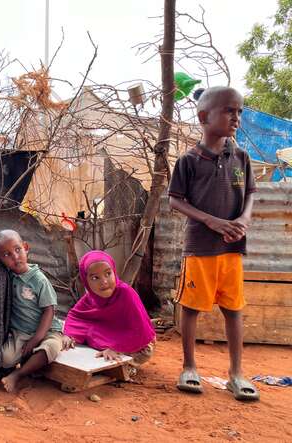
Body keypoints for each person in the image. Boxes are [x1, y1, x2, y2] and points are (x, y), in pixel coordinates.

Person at [168, 86, 259, 401]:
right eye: (229, 110)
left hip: (232, 249)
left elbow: (249, 195)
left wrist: (243, 221)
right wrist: (210, 220)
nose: (237, 117)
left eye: (240, 111)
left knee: (233, 309)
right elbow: (175, 200)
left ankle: (236, 374)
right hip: (200, 248)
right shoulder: (189, 161)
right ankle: (189, 367)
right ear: (204, 116)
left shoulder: (242, 158)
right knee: (191, 307)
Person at [0, 230, 65, 393]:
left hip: (47, 330)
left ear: (26, 248)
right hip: (21, 332)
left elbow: (49, 310)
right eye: (7, 255)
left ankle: (18, 374)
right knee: (5, 359)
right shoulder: (6, 276)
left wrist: (37, 338)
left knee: (51, 347)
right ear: (0, 260)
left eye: (17, 250)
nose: (15, 257)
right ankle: (26, 364)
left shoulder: (38, 280)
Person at [63, 251, 156, 367]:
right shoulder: (91, 297)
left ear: (114, 272)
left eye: (108, 274)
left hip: (135, 344)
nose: (104, 282)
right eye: (95, 278)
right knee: (87, 331)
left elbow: (140, 330)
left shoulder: (126, 293)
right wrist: (69, 334)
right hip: (109, 336)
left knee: (141, 353)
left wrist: (116, 348)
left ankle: (124, 365)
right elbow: (76, 315)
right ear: (86, 281)